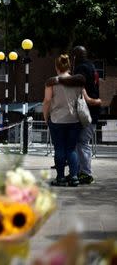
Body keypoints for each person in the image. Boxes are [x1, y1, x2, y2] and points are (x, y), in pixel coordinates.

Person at [43, 54, 83, 187]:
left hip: (56, 120)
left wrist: (45, 116)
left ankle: (60, 178)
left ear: (56, 67)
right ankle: (74, 177)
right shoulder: (77, 81)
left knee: (59, 148)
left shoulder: (52, 82)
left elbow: (47, 101)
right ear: (69, 66)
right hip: (74, 120)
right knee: (71, 149)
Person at [72, 46, 102, 184]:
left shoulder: (81, 68)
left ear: (75, 56)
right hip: (93, 110)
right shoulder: (92, 66)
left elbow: (78, 87)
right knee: (81, 142)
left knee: (82, 142)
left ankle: (86, 173)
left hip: (86, 111)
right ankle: (79, 171)